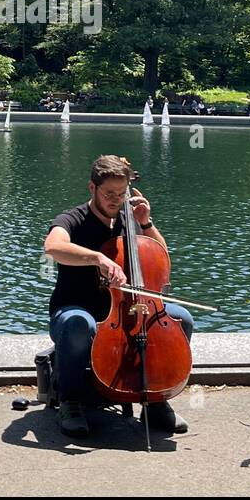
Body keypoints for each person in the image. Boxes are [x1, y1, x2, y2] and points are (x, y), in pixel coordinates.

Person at [43, 155, 192, 439]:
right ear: (92, 188)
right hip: (77, 310)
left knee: (181, 318)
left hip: (127, 310)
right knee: (79, 324)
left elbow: (161, 257)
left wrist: (146, 224)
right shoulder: (72, 219)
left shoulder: (129, 220)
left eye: (121, 193)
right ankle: (70, 401)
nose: (115, 200)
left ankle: (157, 400)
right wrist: (97, 257)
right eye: (109, 194)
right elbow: (53, 247)